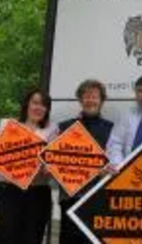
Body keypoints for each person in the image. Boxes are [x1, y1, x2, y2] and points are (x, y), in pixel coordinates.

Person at [0, 88, 58, 244]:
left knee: (33, 240)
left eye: (43, 105)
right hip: (8, 193)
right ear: (27, 104)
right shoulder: (8, 125)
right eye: (35, 102)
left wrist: (50, 168)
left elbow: (53, 164)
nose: (38, 108)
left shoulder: (52, 130)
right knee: (7, 239)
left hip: (38, 193)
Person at [58, 80, 113, 244]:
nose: (90, 100)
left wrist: (107, 170)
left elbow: (116, 161)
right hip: (70, 197)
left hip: (99, 198)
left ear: (101, 100)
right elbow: (55, 160)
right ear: (80, 100)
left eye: (94, 96)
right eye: (86, 96)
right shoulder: (64, 127)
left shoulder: (112, 128)